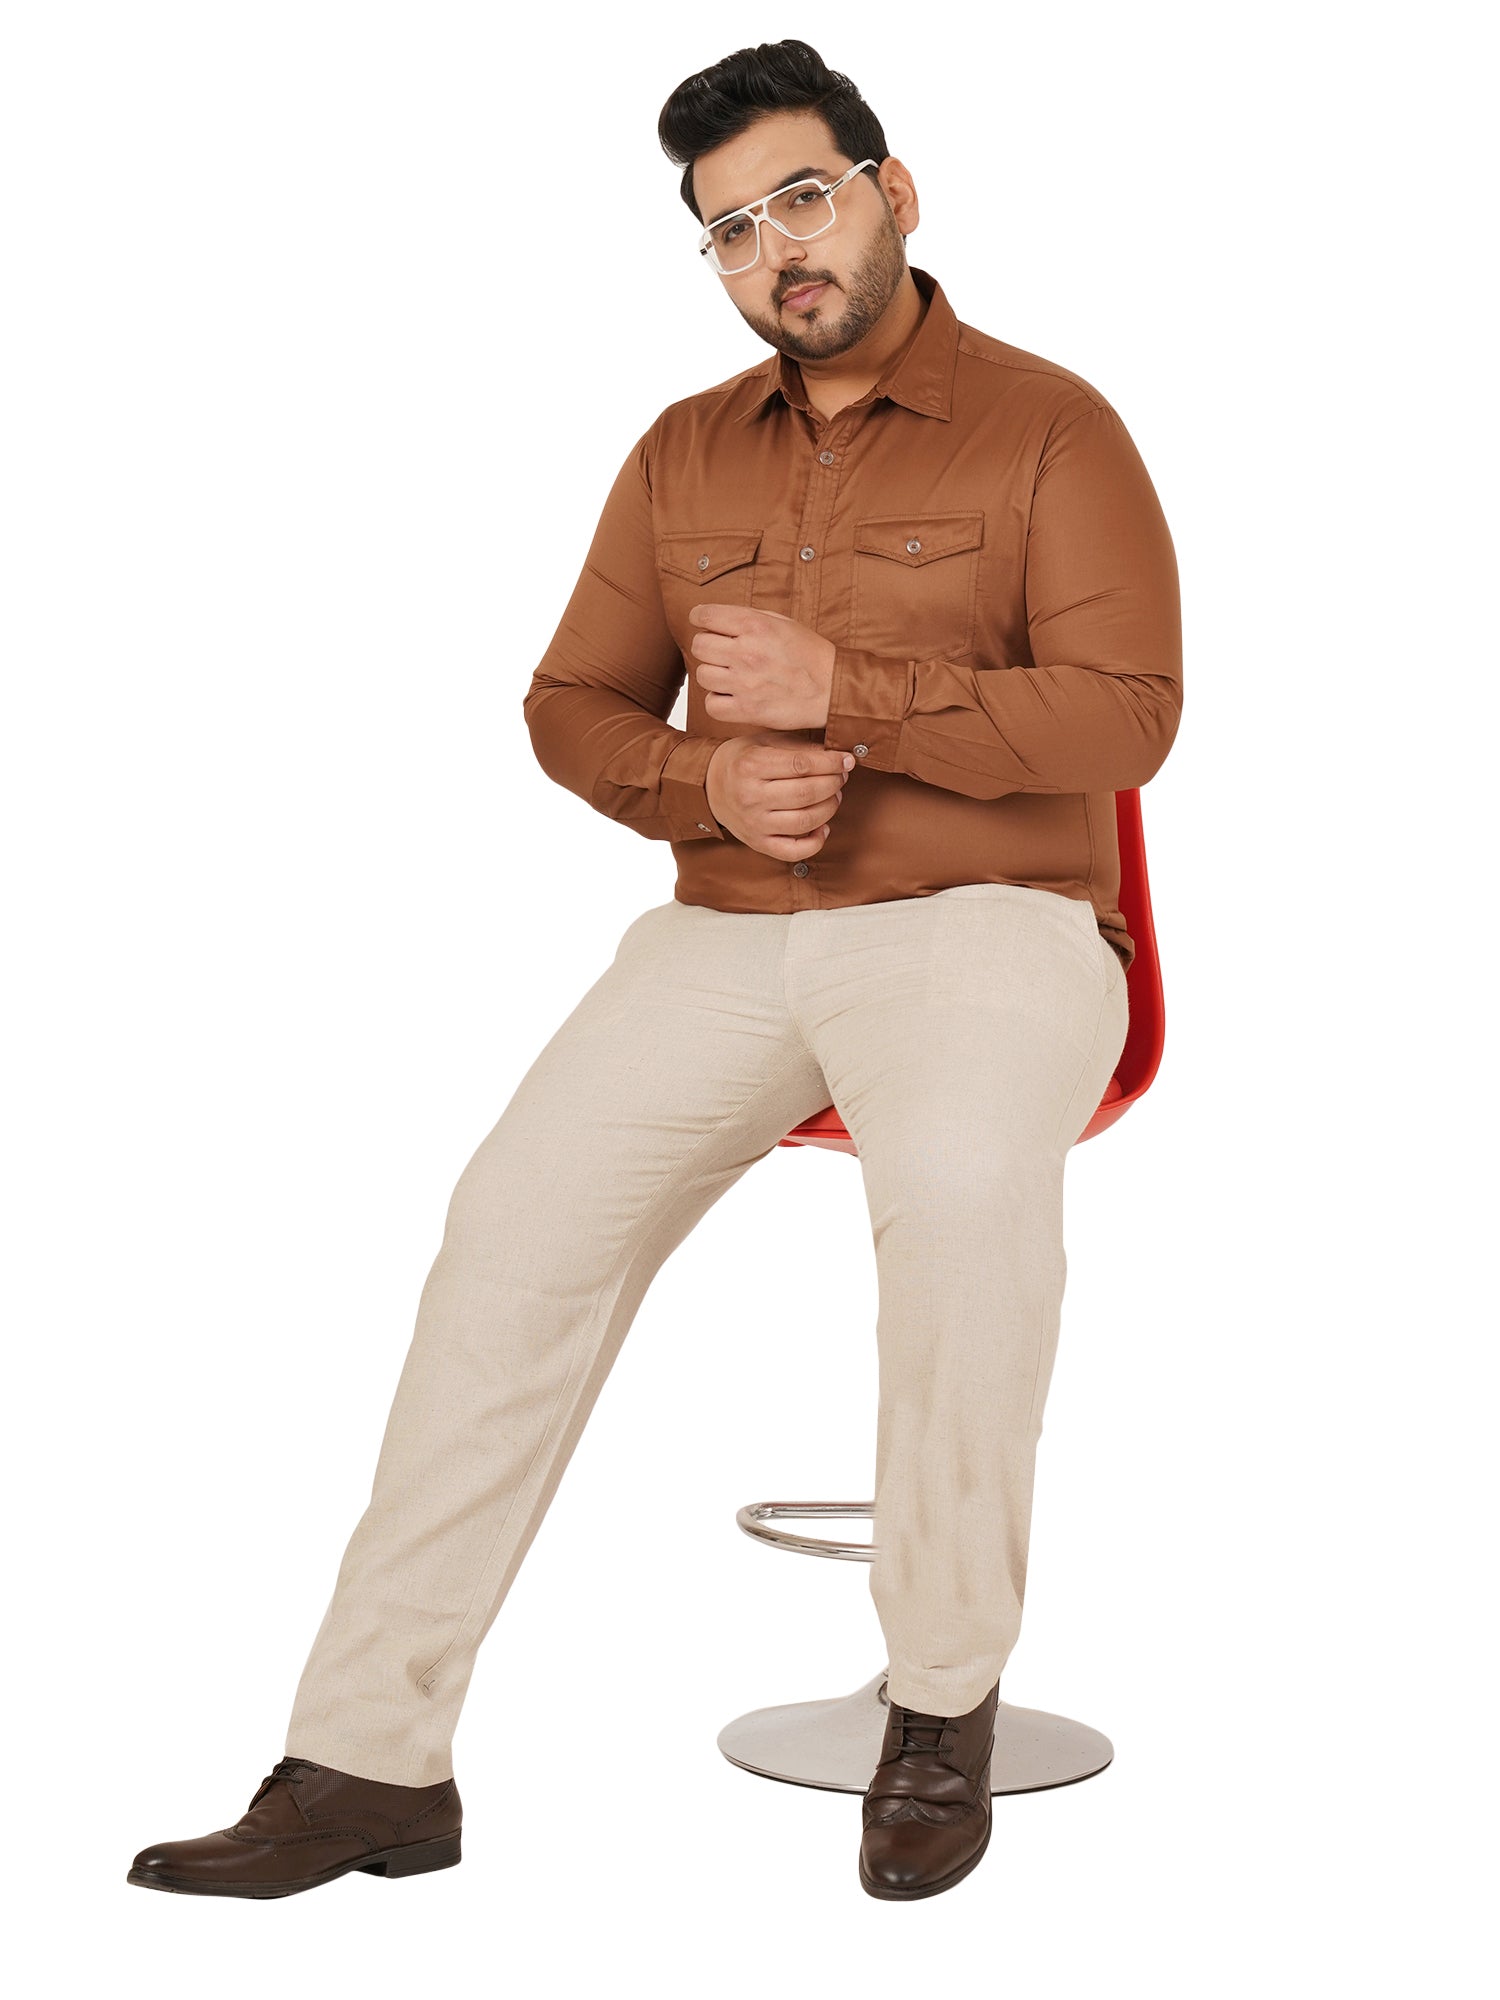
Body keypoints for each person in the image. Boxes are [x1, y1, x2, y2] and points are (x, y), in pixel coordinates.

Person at [128, 37, 1181, 1905]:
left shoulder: (1051, 428)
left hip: (991, 925)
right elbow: (568, 704)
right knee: (506, 1233)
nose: (776, 250)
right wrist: (704, 780)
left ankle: (939, 1710)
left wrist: (853, 694)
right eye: (728, 230)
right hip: (727, 935)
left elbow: (1130, 715)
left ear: (891, 192)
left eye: (803, 198)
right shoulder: (682, 449)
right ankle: (372, 1761)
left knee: (960, 1203)